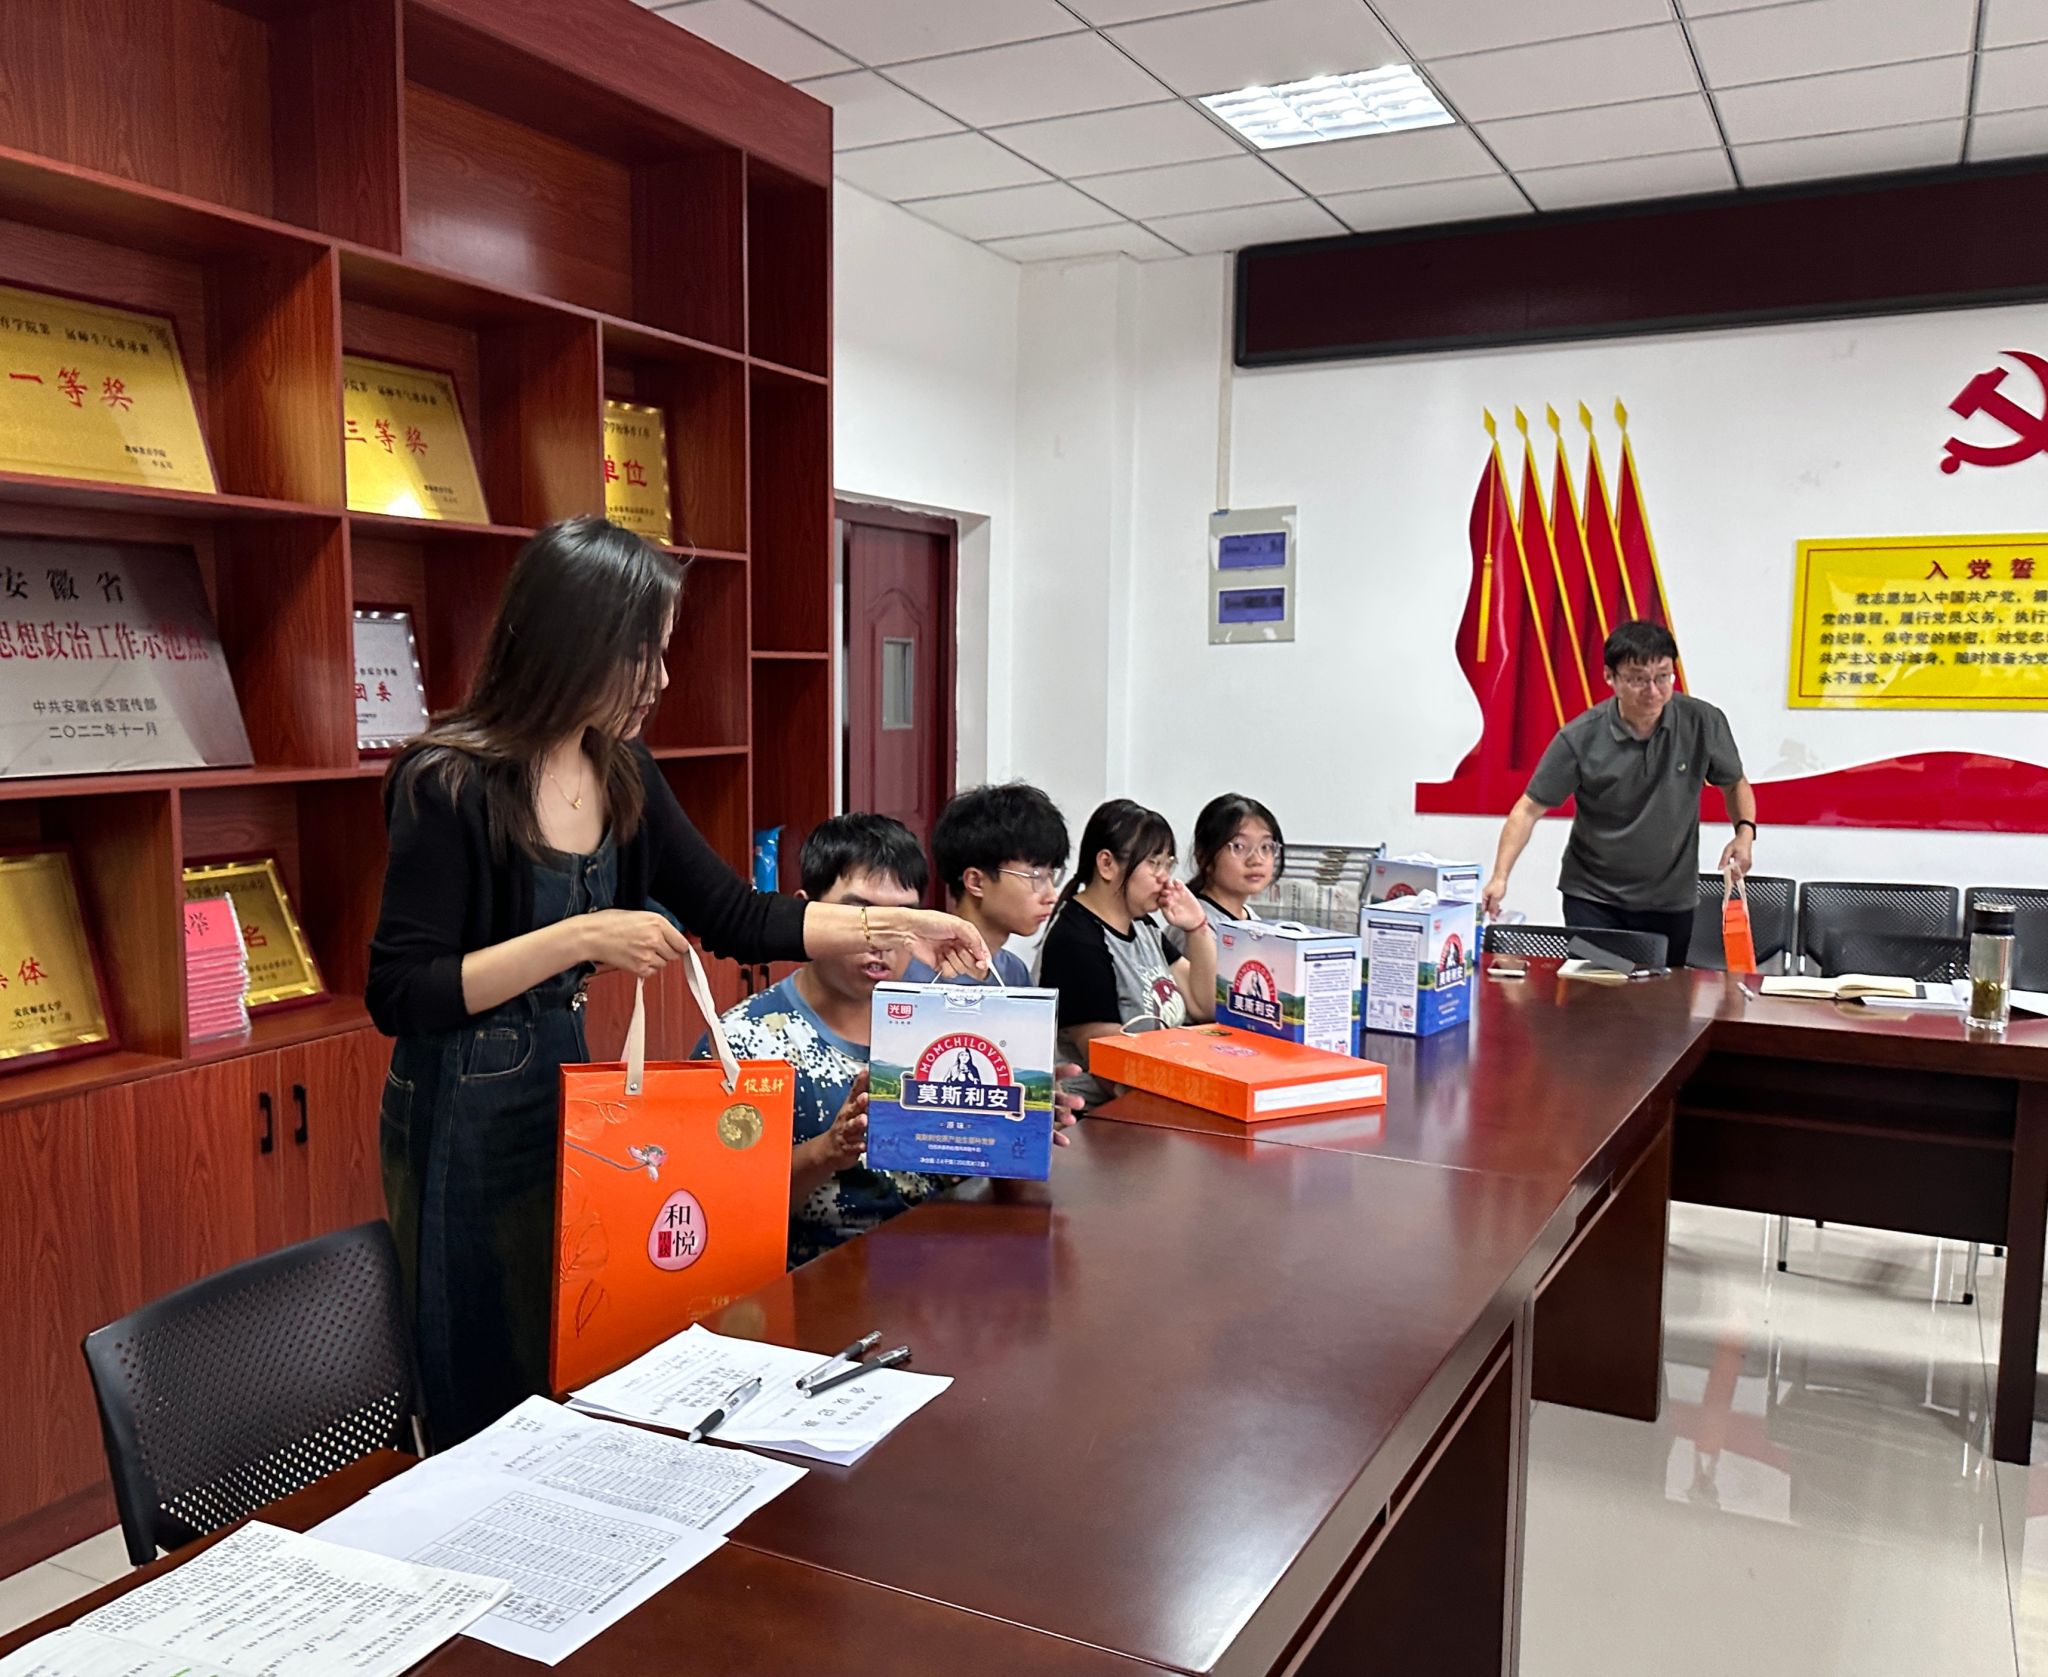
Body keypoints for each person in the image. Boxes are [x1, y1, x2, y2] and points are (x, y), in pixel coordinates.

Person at [366, 517, 985, 1447]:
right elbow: (401, 992)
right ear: (574, 642)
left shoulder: (621, 769)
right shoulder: (449, 782)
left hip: (568, 1079)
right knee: (482, 1362)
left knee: (575, 1337)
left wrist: (902, 926)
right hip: (461, 1102)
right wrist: (579, 935)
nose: (659, 679)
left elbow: (736, 913)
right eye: (641, 655)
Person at [704, 814, 1075, 1268]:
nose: (881, 941)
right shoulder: (742, 1043)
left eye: (900, 920)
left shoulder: (948, 1028)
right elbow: (720, 1205)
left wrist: (1023, 1125)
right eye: (862, 916)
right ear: (807, 914)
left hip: (948, 1274)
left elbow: (998, 1185)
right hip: (818, 1285)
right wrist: (827, 1151)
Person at [1480, 619, 1754, 968]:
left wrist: (1745, 833)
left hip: (1671, 898)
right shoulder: (1581, 737)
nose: (1653, 691)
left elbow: (1734, 783)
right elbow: (1528, 810)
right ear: (1610, 677)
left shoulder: (1702, 721)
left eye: (1663, 677)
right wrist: (1500, 877)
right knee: (1596, 991)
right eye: (1638, 679)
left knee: (1665, 993)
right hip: (1594, 897)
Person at [1037, 798, 1216, 1107]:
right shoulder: (1076, 940)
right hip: (1096, 1118)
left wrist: (1197, 927)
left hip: (1157, 1099)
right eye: (1154, 863)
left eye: (1168, 864)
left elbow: (1204, 1004)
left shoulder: (1143, 925)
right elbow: (1114, 1071)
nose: (1164, 877)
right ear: (1107, 864)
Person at [905, 782, 1070, 988]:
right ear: (976, 882)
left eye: (1051, 875)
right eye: (1035, 876)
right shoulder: (909, 970)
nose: (1051, 896)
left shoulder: (1015, 973)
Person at [1188, 793, 1284, 934]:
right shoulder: (1192, 925)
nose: (1256, 860)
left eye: (1265, 847)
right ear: (1203, 854)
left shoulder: (1250, 918)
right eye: (1239, 846)